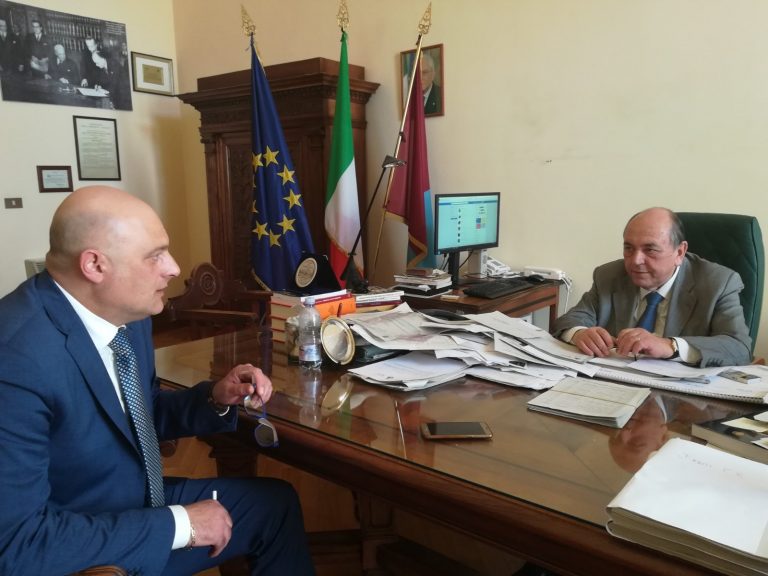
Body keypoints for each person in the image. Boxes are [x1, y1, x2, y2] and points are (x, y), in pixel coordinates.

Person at [0, 186, 315, 575]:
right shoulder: (14, 360)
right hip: (81, 537)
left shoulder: (126, 315)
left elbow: (138, 413)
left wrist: (215, 398)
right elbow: (18, 545)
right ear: (95, 265)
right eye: (155, 255)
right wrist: (181, 525)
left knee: (274, 506)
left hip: (133, 496)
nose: (175, 268)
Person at [552, 207, 752, 367]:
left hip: (678, 396)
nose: (635, 260)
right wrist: (579, 333)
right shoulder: (609, 275)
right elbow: (570, 320)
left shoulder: (718, 283)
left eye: (650, 249)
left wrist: (670, 346)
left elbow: (739, 348)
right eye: (629, 248)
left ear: (680, 252)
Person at [421, 50, 441, 115]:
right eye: (418, 73)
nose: (421, 77)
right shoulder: (410, 97)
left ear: (433, 74)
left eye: (424, 72)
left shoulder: (440, 94)